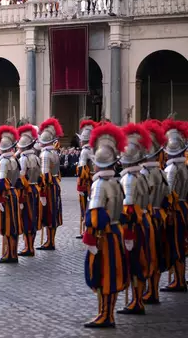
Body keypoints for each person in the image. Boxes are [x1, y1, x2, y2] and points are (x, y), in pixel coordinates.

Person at [82, 123, 128, 328]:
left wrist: (89, 236)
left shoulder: (99, 184)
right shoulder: (117, 182)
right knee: (114, 275)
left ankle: (104, 314)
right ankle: (108, 313)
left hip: (104, 236)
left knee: (103, 275)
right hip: (117, 232)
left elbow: (95, 215)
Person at [117, 123, 154, 315]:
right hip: (144, 221)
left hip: (134, 225)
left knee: (134, 263)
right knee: (141, 261)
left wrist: (127, 229)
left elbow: (129, 208)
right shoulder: (141, 175)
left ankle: (136, 301)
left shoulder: (129, 179)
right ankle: (138, 298)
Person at [140, 120, 169, 304]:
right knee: (157, 255)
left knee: (145, 256)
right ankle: (154, 291)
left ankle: (144, 293)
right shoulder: (162, 172)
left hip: (147, 218)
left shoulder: (143, 174)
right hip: (161, 216)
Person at [161, 119, 188, 292]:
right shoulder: (184, 166)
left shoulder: (172, 169)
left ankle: (179, 280)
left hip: (175, 210)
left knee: (177, 245)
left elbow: (168, 193)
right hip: (184, 206)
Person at [0, 126, 21, 263]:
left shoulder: (4, 161)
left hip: (6, 196)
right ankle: (13, 253)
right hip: (14, 193)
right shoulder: (14, 160)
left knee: (7, 226)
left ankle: (9, 254)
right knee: (14, 225)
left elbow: (2, 182)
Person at [37, 118, 64, 251]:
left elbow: (44, 175)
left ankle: (49, 241)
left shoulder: (45, 154)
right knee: (54, 213)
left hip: (47, 186)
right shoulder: (54, 152)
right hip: (55, 184)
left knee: (48, 213)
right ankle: (50, 240)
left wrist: (41, 191)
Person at [16, 124, 41, 257]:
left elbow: (21, 177)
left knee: (26, 218)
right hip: (35, 189)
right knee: (34, 218)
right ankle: (30, 245)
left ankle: (28, 247)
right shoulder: (36, 158)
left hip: (26, 192)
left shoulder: (23, 159)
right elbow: (41, 176)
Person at [77, 119, 97, 239]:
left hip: (86, 182)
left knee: (85, 206)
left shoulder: (85, 151)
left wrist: (80, 183)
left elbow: (82, 169)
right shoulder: (93, 149)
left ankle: (87, 230)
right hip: (93, 179)